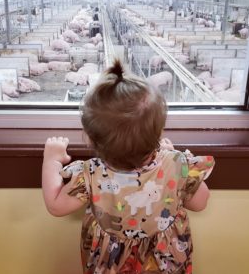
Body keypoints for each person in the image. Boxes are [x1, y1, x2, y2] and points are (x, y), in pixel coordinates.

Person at [42, 59, 215, 273]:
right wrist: (172, 156)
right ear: (159, 134)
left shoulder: (90, 174)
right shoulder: (177, 164)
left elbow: (56, 206)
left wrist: (52, 159)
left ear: (90, 139)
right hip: (165, 264)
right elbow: (200, 202)